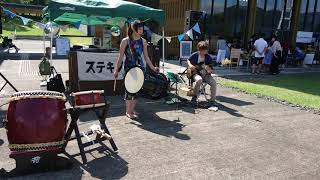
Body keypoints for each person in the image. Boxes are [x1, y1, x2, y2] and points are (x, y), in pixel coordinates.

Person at [114, 20, 159, 119]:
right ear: (134, 29)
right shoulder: (125, 41)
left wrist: (153, 67)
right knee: (130, 90)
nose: (141, 30)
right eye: (139, 28)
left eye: (142, 28)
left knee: (137, 90)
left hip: (140, 68)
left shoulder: (143, 41)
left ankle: (132, 110)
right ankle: (128, 111)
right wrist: (116, 70)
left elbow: (146, 57)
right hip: (129, 68)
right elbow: (120, 57)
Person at [187, 41, 217, 105]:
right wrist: (190, 65)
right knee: (199, 80)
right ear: (198, 49)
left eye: (204, 50)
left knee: (214, 83)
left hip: (206, 75)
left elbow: (211, 69)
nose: (203, 52)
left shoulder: (208, 57)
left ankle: (212, 100)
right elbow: (188, 60)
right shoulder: (195, 54)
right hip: (195, 73)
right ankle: (194, 97)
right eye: (201, 50)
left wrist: (209, 70)